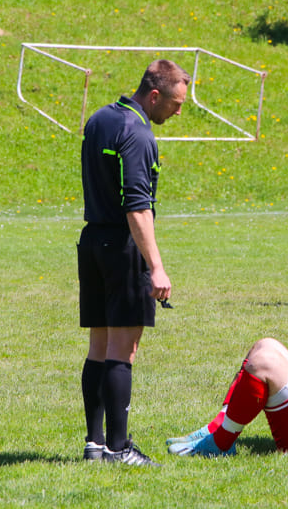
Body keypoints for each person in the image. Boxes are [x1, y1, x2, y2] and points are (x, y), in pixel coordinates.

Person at [78, 59, 190, 466]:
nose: (178, 112)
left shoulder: (99, 119)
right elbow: (138, 207)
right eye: (175, 104)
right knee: (123, 351)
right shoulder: (138, 133)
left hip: (91, 242)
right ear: (154, 95)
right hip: (122, 247)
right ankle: (118, 448)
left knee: (98, 347)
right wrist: (156, 265)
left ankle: (94, 444)